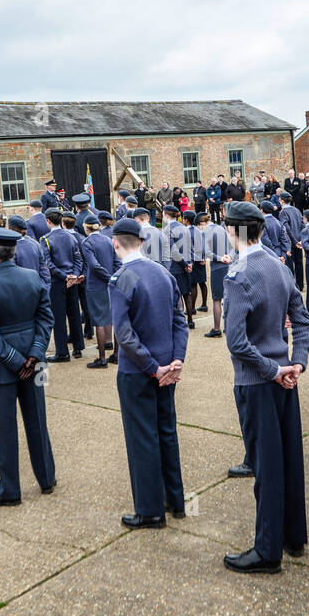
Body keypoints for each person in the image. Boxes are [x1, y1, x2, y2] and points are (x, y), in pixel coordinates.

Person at [221, 201, 309, 573]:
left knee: (266, 467)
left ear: (232, 231)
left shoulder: (239, 274)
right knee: (289, 460)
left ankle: (267, 550)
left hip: (260, 380)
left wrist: (275, 369)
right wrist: (297, 362)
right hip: (283, 376)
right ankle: (293, 536)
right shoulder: (279, 267)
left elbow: (236, 341)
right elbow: (304, 323)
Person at [109, 216, 189, 528]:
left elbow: (125, 335)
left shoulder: (122, 278)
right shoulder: (163, 273)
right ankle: (175, 500)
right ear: (142, 242)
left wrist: (153, 368)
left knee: (142, 438)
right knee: (167, 432)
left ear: (116, 243)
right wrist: (176, 361)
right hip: (167, 368)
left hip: (141, 372)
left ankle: (150, 510)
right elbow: (179, 320)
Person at [0, 226, 56, 505]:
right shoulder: (32, 278)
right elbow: (46, 319)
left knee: (5, 428)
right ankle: (46, 478)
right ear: (13, 252)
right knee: (38, 420)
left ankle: (10, 489)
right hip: (36, 363)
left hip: (3, 365)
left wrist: (16, 360)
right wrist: (34, 355)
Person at [43, 209, 85, 361]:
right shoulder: (71, 236)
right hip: (71, 281)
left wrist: (65, 276)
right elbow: (78, 259)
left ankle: (62, 352)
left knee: (59, 317)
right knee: (74, 314)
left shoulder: (46, 239)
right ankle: (78, 347)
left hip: (58, 282)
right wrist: (73, 275)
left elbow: (49, 264)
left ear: (48, 221)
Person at [81, 215, 119, 368]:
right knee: (115, 319)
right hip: (111, 284)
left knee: (99, 322)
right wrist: (115, 277)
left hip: (96, 285)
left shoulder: (86, 242)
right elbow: (117, 261)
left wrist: (109, 277)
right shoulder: (107, 240)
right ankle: (116, 355)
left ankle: (102, 358)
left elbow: (94, 265)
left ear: (86, 227)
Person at [201, 212, 233, 338]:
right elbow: (232, 246)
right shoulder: (222, 228)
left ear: (202, 223)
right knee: (228, 297)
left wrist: (220, 258)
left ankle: (216, 328)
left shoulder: (207, 231)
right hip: (229, 265)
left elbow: (206, 252)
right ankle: (228, 327)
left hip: (217, 267)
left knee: (217, 299)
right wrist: (228, 256)